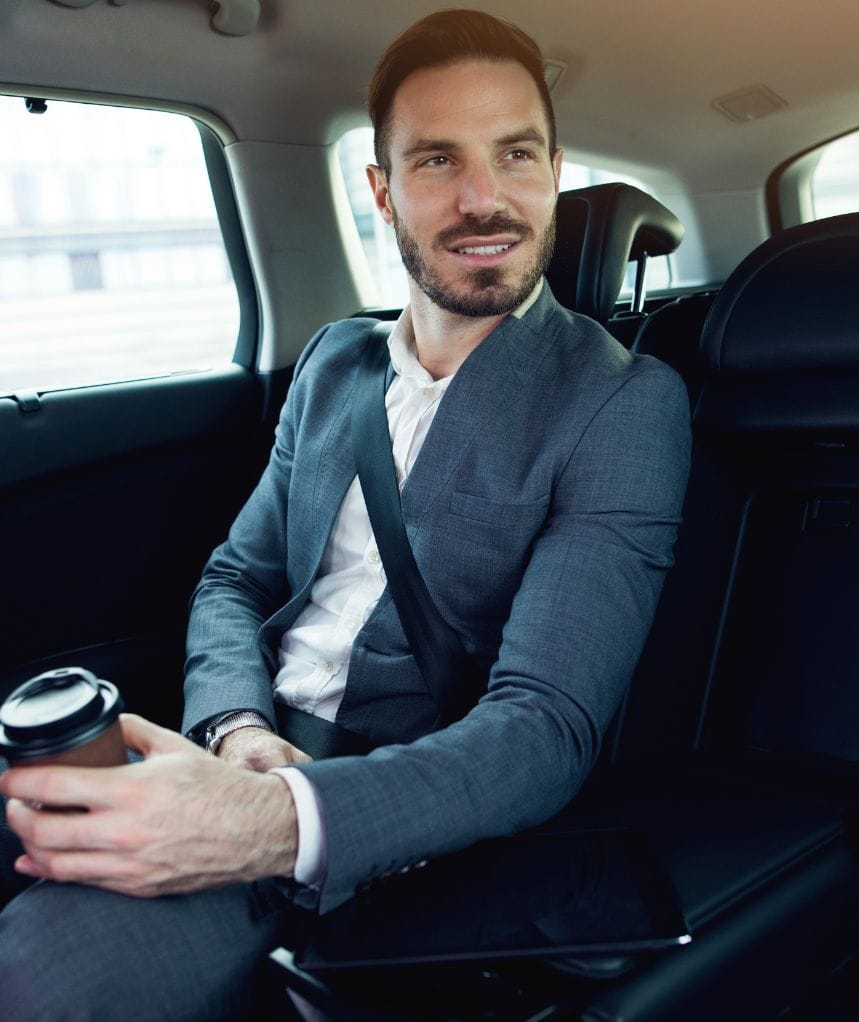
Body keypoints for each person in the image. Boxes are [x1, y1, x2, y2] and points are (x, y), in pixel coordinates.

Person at [0, 9, 691, 1019]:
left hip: (375, 820)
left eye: (516, 154)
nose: (483, 197)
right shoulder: (335, 361)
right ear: (382, 190)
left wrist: (266, 818)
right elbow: (238, 576)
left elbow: (545, 729)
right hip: (232, 739)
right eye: (437, 161)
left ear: (552, 170)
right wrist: (234, 728)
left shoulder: (621, 401)